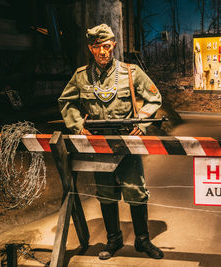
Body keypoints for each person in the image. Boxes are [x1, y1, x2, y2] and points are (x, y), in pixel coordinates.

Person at [58, 24, 163, 260]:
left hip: (127, 143)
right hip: (99, 145)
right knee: (105, 193)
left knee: (136, 191)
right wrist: (78, 126)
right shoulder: (81, 76)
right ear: (90, 48)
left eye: (106, 46)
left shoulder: (130, 72)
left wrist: (142, 123)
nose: (102, 51)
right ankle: (113, 240)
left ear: (113, 45)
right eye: (97, 47)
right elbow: (66, 101)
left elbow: (154, 97)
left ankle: (142, 240)